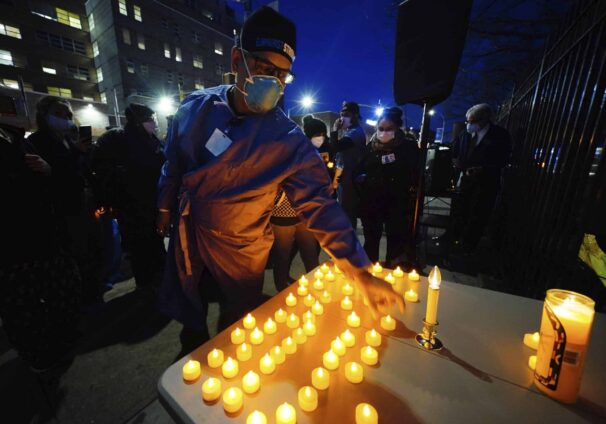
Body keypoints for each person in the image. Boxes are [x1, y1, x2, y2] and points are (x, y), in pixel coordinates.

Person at [155, 6, 403, 353]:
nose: (273, 82)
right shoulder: (197, 107)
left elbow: (320, 205)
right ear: (236, 59)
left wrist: (359, 270)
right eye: (263, 68)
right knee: (189, 307)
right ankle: (190, 346)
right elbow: (173, 163)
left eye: (282, 75)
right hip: (189, 231)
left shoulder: (285, 140)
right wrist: (165, 206)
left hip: (239, 247)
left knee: (237, 328)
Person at [0, 123, 81, 371]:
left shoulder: (13, 135)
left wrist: (48, 170)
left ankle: (59, 342)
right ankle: (39, 355)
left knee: (61, 289)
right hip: (9, 243)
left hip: (43, 231)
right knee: (23, 305)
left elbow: (54, 177)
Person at [92, 104, 166, 292]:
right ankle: (146, 285)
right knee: (139, 247)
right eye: (150, 118)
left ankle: (160, 279)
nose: (154, 122)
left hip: (152, 202)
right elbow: (102, 170)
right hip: (130, 205)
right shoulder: (117, 139)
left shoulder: (151, 139)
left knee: (155, 242)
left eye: (153, 118)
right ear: (137, 120)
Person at [353, 107, 419, 267]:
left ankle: (392, 269)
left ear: (397, 128)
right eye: (381, 129)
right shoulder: (371, 146)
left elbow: (413, 173)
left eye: (389, 129)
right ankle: (370, 269)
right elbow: (360, 169)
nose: (384, 132)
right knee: (371, 240)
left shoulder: (407, 147)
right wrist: (361, 179)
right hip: (372, 202)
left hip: (396, 203)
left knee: (395, 241)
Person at [450, 103, 512, 252]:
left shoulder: (499, 135)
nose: (469, 125)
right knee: (460, 211)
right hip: (465, 180)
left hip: (486, 184)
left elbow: (503, 160)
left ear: (484, 119)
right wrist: (456, 161)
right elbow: (455, 150)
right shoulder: (464, 134)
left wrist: (483, 169)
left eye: (473, 121)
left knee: (478, 216)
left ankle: (468, 247)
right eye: (468, 121)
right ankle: (454, 241)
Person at [330, 101, 367, 229]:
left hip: (349, 179)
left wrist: (334, 130)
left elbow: (334, 146)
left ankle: (349, 242)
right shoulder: (350, 131)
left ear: (355, 115)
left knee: (347, 212)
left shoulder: (355, 133)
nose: (342, 118)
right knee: (344, 210)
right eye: (341, 114)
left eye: (346, 114)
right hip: (344, 176)